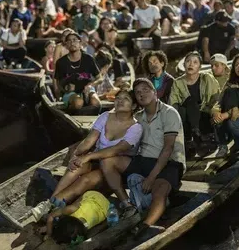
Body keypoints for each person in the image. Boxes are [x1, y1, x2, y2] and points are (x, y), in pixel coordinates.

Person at [30, 89, 142, 221]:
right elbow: (89, 140)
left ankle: (54, 205)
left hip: (114, 170)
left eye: (126, 99)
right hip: (97, 161)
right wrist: (76, 155)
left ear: (134, 106)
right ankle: (50, 204)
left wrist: (87, 156)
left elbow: (115, 150)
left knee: (85, 180)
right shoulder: (105, 116)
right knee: (76, 166)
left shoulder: (136, 128)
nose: (120, 101)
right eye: (118, 98)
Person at [100, 78, 185, 241]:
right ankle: (128, 205)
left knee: (159, 191)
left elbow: (168, 149)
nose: (141, 94)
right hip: (142, 160)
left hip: (168, 163)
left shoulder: (169, 113)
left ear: (155, 92)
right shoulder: (138, 116)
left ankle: (145, 226)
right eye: (138, 92)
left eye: (146, 89)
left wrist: (152, 177)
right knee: (107, 161)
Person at [169, 52, 220, 151]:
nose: (191, 64)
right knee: (188, 102)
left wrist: (214, 111)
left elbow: (217, 98)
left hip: (205, 114)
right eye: (188, 61)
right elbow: (173, 102)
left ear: (200, 66)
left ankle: (203, 134)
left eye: (195, 62)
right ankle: (190, 138)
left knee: (193, 103)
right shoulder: (177, 82)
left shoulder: (207, 78)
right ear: (184, 65)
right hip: (187, 118)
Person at [54, 32, 102, 111]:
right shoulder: (61, 62)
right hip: (70, 94)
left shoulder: (88, 58)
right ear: (66, 45)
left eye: (74, 40)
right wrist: (66, 88)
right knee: (78, 103)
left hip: (87, 89)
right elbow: (58, 82)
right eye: (69, 41)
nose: (72, 43)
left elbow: (100, 78)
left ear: (80, 43)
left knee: (96, 103)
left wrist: (91, 85)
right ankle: (70, 114)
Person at [44, 191, 110, 244]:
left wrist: (49, 233)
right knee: (76, 204)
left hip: (101, 203)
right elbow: (51, 216)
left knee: (75, 204)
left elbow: (51, 216)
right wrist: (49, 233)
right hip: (100, 202)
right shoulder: (73, 209)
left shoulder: (83, 229)